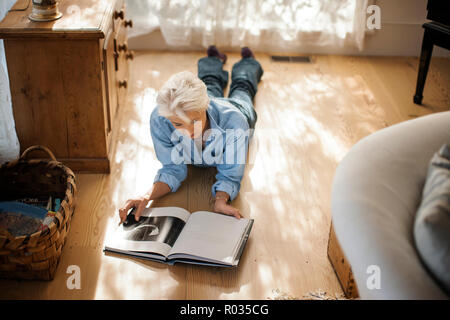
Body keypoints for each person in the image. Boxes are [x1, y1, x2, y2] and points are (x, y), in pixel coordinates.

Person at [119, 46, 264, 224]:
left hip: (235, 108)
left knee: (242, 88)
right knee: (210, 82)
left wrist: (220, 201)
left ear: (205, 107)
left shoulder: (235, 124)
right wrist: (146, 196)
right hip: (202, 102)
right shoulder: (161, 118)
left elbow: (230, 175)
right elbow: (172, 169)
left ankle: (247, 62)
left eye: (194, 122)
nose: (189, 133)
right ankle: (212, 58)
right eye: (178, 124)